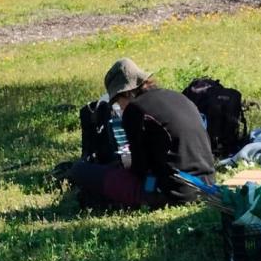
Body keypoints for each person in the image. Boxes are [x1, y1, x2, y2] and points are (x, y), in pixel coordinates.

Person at [66, 58, 216, 209]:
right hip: (207, 184)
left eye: (118, 102)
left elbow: (139, 169)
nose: (120, 108)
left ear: (127, 93)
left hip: (175, 192)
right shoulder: (177, 96)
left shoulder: (135, 110)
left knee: (80, 170)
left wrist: (124, 166)